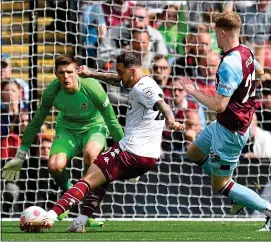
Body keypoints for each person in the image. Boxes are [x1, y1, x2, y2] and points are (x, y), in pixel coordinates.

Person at [21, 52, 183, 232]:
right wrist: (92, 74)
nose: (119, 75)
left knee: (87, 180)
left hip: (130, 151)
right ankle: (80, 222)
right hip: (149, 158)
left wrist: (171, 120)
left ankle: (50, 216)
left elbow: (162, 104)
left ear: (133, 70)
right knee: (102, 178)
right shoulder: (141, 81)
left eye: (121, 72)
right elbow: (116, 80)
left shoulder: (143, 88)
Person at [2, 54, 124, 228]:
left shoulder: (92, 86)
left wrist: (125, 151)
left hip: (94, 126)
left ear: (76, 72)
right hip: (67, 129)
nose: (65, 77)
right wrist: (20, 156)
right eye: (61, 73)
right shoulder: (52, 91)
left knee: (90, 155)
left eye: (69, 72)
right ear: (55, 73)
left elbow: (112, 121)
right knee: (54, 165)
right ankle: (68, 194)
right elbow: (35, 123)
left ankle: (86, 212)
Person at [178, 11, 271, 231]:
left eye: (214, 35)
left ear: (222, 33)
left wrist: (193, 91)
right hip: (227, 122)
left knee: (220, 184)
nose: (214, 39)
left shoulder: (229, 63)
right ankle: (234, 191)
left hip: (231, 129)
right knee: (194, 152)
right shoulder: (246, 51)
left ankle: (267, 209)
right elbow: (259, 71)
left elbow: (219, 104)